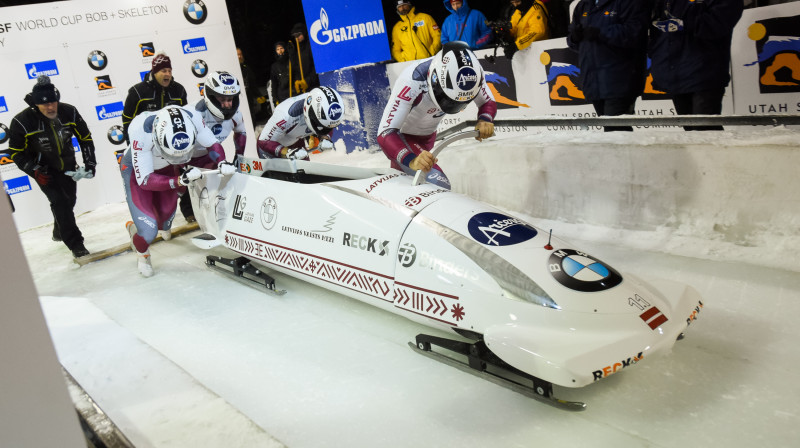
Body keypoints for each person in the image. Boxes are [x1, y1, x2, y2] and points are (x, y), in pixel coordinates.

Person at [120, 105, 235, 277]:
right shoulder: (140, 129)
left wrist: (222, 162)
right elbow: (144, 181)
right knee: (149, 231)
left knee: (165, 220)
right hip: (138, 175)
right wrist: (178, 180)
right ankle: (142, 254)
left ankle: (138, 229)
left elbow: (212, 144)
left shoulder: (193, 117)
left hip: (166, 168)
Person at [376, 41, 497, 189]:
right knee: (437, 184)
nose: (453, 106)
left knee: (405, 187)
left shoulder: (473, 74)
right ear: (435, 79)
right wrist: (412, 160)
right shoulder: (412, 80)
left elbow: (487, 101)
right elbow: (385, 133)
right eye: (448, 98)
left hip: (427, 138)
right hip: (401, 139)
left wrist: (485, 119)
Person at [7, 75, 96, 258]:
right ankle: (76, 244)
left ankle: (59, 229)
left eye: (53, 102)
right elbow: (15, 152)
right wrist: (33, 170)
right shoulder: (22, 121)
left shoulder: (69, 111)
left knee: (69, 201)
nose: (50, 107)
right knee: (60, 202)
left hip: (69, 165)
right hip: (44, 171)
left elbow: (85, 138)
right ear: (35, 104)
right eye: (45, 104)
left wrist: (90, 163)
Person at [648, 0, 744, 131]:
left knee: (704, 130)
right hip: (675, 74)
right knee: (690, 132)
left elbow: (721, 21)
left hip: (705, 72)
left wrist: (684, 24)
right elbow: (657, 31)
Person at [567, 0, 651, 131]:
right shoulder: (583, 5)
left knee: (616, 132)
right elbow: (573, 40)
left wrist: (600, 32)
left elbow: (635, 32)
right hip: (593, 80)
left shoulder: (631, 3)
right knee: (610, 132)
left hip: (620, 79)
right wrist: (574, 38)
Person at [178, 71, 247, 222]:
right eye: (222, 99)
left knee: (221, 183)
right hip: (186, 157)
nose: (228, 104)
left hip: (210, 155)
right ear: (211, 96)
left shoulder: (236, 115)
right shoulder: (193, 113)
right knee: (184, 187)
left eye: (231, 99)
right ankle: (188, 208)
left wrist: (239, 156)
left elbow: (241, 131)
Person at [257, 86, 344, 160]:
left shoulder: (321, 106)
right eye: (319, 123)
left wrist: (325, 137)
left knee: (305, 173)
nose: (322, 127)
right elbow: (263, 141)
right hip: (271, 146)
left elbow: (327, 125)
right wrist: (287, 152)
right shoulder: (284, 115)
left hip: (295, 140)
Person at [122, 52, 188, 144]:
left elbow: (185, 117)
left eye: (170, 71)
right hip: (146, 142)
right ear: (155, 72)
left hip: (173, 141)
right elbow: (127, 119)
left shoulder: (179, 90)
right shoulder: (137, 92)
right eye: (164, 71)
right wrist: (131, 142)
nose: (168, 74)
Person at [287, 23, 320, 95]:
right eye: (294, 36)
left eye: (298, 35)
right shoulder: (297, 50)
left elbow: (316, 67)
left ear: (304, 33)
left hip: (314, 86)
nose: (296, 38)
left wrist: (307, 81)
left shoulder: (311, 47)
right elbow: (296, 69)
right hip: (304, 88)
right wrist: (292, 55)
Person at [237, 47, 263, 124]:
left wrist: (258, 95)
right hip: (238, 102)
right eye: (237, 55)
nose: (239, 56)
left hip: (249, 100)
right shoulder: (232, 70)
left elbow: (253, 84)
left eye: (240, 54)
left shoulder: (246, 68)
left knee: (252, 120)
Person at [269, 41, 292, 106]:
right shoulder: (274, 66)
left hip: (293, 92)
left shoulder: (291, 61)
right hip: (282, 96)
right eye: (277, 49)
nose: (280, 51)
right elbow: (274, 83)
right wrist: (275, 99)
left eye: (281, 48)